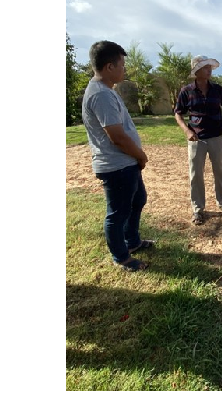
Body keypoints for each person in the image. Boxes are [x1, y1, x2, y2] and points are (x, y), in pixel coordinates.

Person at [81, 40, 155, 272]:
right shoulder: (101, 95)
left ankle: (132, 242)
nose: (124, 69)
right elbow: (117, 136)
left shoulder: (105, 90)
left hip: (125, 163)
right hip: (116, 166)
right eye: (122, 64)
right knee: (117, 213)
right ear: (109, 67)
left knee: (137, 200)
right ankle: (121, 257)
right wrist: (140, 155)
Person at [174, 55, 222, 225]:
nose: (209, 70)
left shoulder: (217, 89)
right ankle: (197, 209)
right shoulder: (186, 91)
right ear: (197, 71)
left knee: (220, 171)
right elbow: (178, 113)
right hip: (196, 140)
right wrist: (187, 131)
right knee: (196, 175)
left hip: (216, 137)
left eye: (210, 67)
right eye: (205, 67)